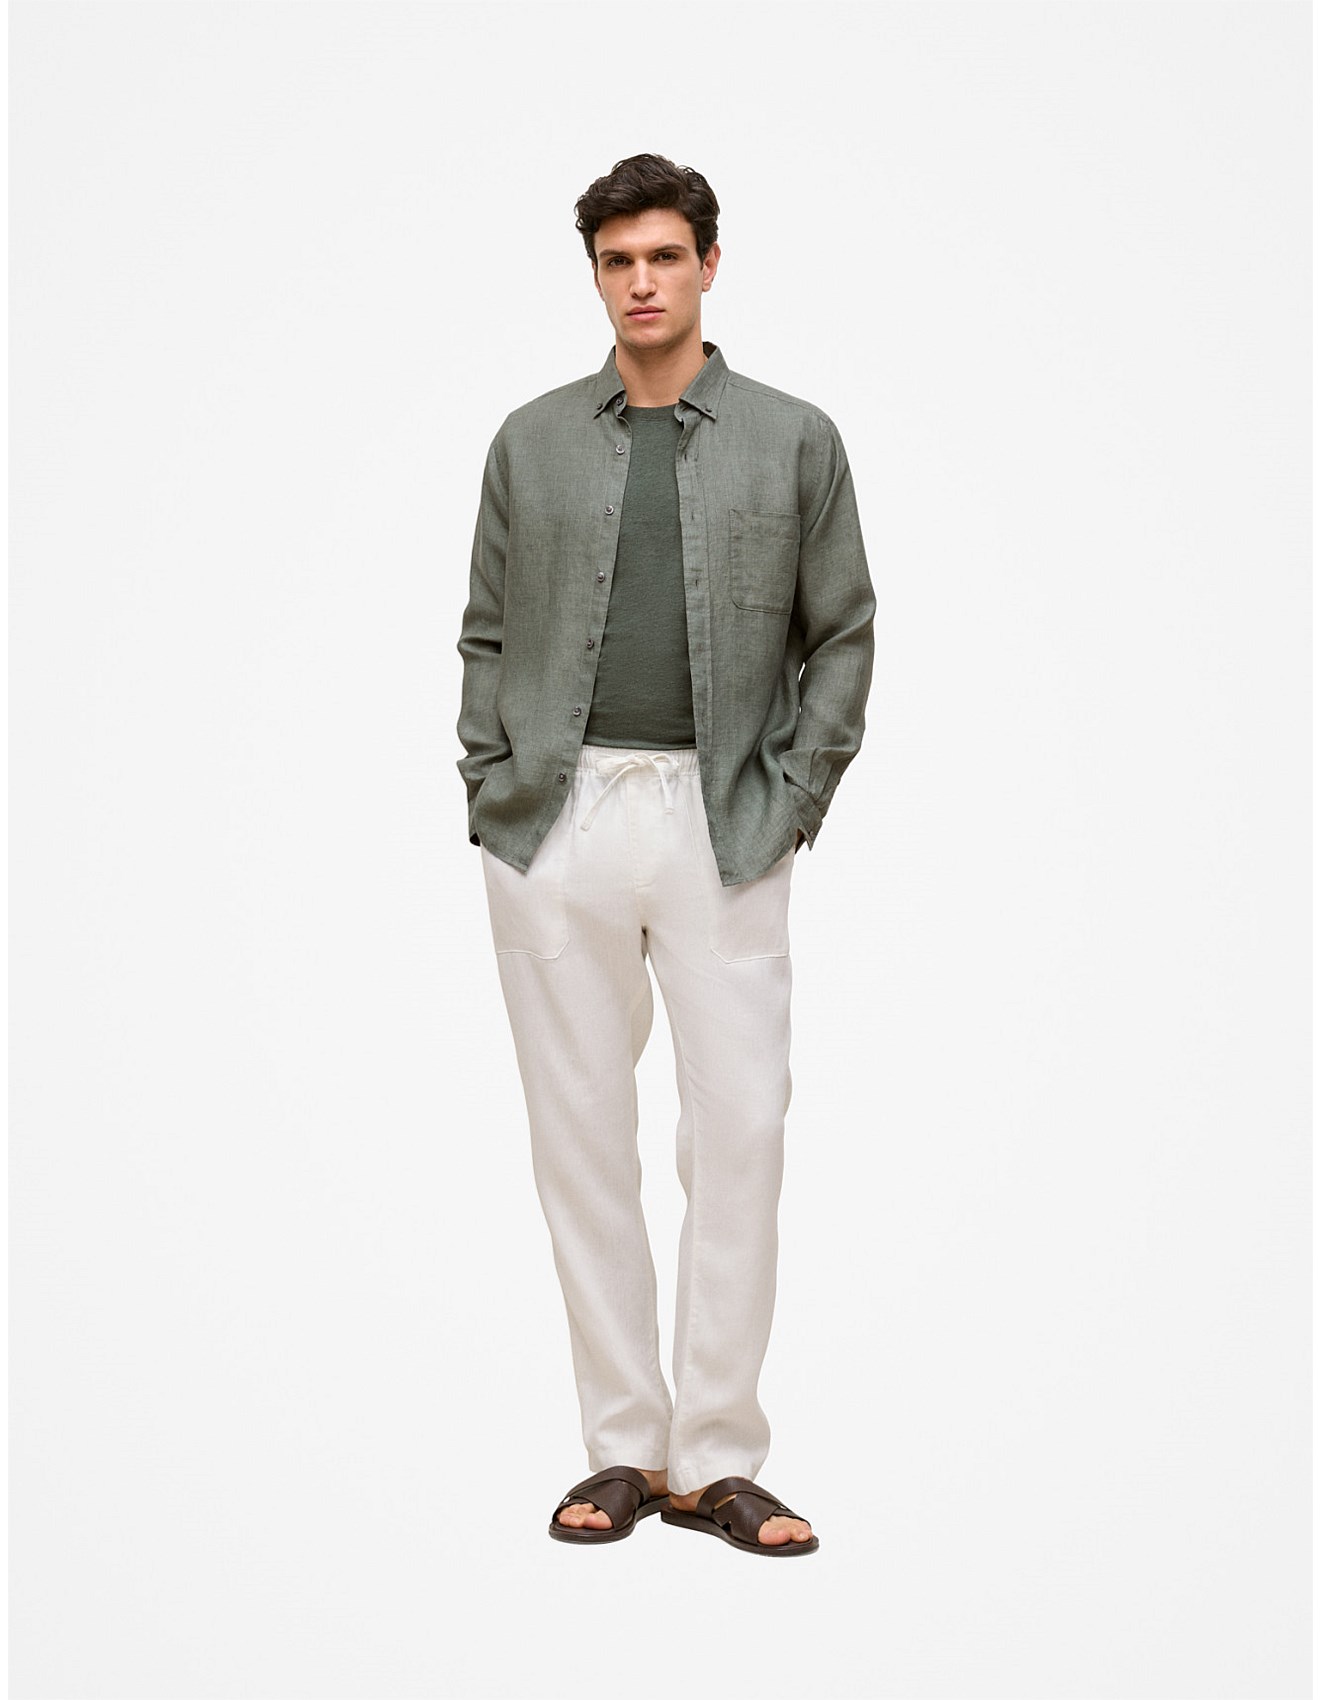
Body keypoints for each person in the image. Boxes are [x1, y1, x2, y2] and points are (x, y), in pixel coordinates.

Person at [456, 153, 874, 1557]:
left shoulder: (794, 438)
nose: (642, 282)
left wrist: (795, 793)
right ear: (596, 275)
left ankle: (720, 1459)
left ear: (708, 264)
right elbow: (486, 632)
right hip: (553, 819)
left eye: (664, 257)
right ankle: (624, 1450)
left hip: (725, 817)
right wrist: (491, 785)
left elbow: (843, 632)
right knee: (580, 1140)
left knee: (739, 1130)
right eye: (617, 261)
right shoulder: (529, 441)